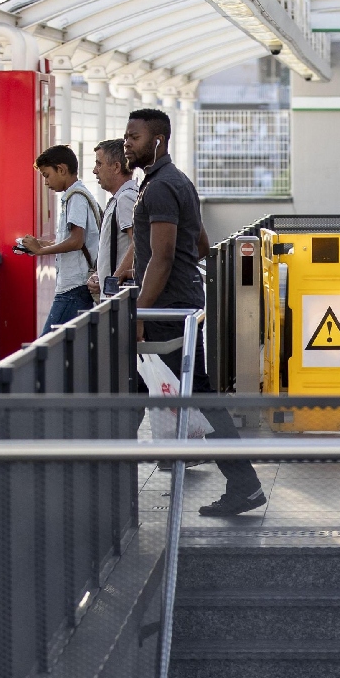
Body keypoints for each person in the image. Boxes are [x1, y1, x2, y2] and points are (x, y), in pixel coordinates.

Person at [123, 108, 265, 516]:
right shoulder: (176, 181)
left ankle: (245, 484)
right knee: (135, 391)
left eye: (133, 137)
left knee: (196, 396)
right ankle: (109, 483)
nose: (127, 144)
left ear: (158, 141)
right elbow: (198, 245)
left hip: (165, 311)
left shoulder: (160, 188)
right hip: (179, 303)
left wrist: (140, 312)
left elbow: (164, 257)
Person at [21, 145, 101, 334]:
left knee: (46, 346)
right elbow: (69, 239)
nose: (46, 182)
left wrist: (41, 251)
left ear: (62, 170)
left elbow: (76, 241)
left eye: (47, 175)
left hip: (74, 286)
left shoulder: (76, 198)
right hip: (77, 285)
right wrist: (41, 244)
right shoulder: (77, 195)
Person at [87, 139, 136, 299]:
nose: (95, 171)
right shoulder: (120, 198)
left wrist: (113, 282)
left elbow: (138, 243)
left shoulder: (126, 198)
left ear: (116, 167)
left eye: (99, 164)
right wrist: (100, 276)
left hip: (118, 299)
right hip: (116, 297)